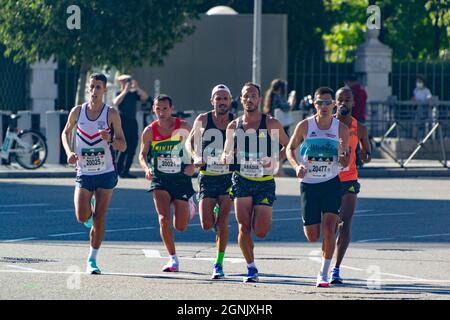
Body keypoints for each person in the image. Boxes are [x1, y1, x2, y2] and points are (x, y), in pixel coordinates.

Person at [222, 82, 290, 283]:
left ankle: (254, 240)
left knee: (260, 231)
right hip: (241, 180)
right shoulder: (234, 126)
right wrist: (228, 156)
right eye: (245, 96)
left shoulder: (271, 124)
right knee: (243, 227)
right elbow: (226, 152)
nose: (249, 99)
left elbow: (290, 145)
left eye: (253, 95)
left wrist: (275, 159)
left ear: (259, 99)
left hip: (264, 182)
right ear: (241, 99)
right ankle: (251, 268)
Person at [61, 73, 127, 274]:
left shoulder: (111, 114)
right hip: (84, 171)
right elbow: (66, 132)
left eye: (99, 87)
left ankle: (92, 260)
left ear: (105, 90)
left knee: (99, 216)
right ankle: (88, 210)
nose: (94, 90)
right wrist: (69, 152)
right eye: (92, 86)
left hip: (106, 172)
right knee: (82, 216)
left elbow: (122, 145)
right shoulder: (77, 111)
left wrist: (109, 139)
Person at [286, 87, 349, 287]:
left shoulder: (341, 129)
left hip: (331, 183)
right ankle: (319, 234)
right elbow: (290, 148)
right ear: (315, 104)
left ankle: (323, 273)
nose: (323, 106)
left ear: (334, 105)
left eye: (327, 102)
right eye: (320, 102)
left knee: (330, 227)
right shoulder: (305, 126)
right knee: (313, 236)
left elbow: (345, 162)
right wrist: (297, 166)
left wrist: (342, 155)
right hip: (309, 185)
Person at [139, 94, 196, 272]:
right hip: (160, 179)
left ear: (171, 109)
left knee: (180, 227)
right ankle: (173, 259)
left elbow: (197, 148)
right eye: (158, 109)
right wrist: (146, 168)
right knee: (163, 219)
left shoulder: (184, 127)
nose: (161, 112)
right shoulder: (149, 131)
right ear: (153, 110)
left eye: (165, 109)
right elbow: (142, 154)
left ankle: (190, 205)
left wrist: (193, 165)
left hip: (180, 178)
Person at [187, 84, 235, 279]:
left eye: (225, 98)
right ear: (212, 101)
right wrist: (195, 156)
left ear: (230, 101)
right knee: (207, 224)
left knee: (223, 223)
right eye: (218, 98)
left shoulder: (237, 122)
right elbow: (189, 142)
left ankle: (218, 263)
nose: (222, 102)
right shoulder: (203, 120)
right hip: (207, 176)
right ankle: (212, 210)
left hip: (229, 178)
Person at [330, 87, 371, 284]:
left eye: (347, 100)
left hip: (349, 179)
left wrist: (365, 156)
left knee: (345, 223)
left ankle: (336, 269)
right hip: (326, 179)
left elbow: (366, 153)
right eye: (340, 100)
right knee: (328, 225)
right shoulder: (325, 124)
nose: (344, 103)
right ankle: (325, 263)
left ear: (354, 103)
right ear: (334, 103)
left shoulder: (360, 128)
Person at [113, 74, 149, 178]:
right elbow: (115, 102)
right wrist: (125, 91)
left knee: (132, 146)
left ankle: (126, 171)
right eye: (125, 81)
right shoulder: (119, 93)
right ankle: (118, 170)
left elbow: (145, 97)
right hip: (122, 122)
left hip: (132, 122)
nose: (127, 82)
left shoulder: (134, 94)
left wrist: (136, 88)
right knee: (121, 146)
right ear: (121, 82)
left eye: (128, 80)